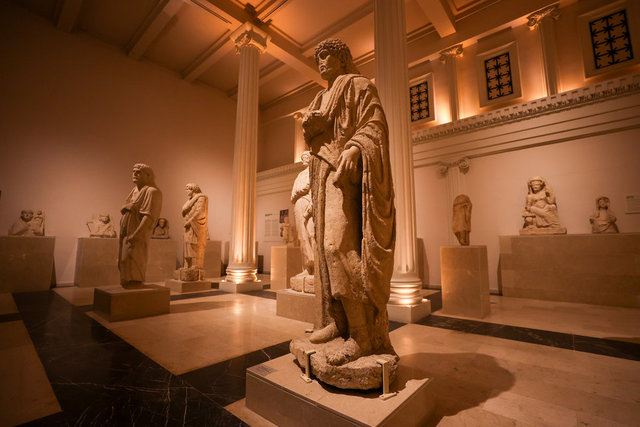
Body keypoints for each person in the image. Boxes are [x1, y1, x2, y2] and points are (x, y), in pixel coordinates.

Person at [302, 38, 396, 366]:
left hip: (345, 175)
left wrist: (356, 147)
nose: (321, 61)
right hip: (322, 176)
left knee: (337, 247)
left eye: (327, 55)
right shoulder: (319, 97)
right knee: (324, 252)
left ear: (342, 58)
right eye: (318, 57)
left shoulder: (358, 85)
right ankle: (338, 321)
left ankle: (362, 334)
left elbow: (375, 124)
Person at [119, 163, 162, 288]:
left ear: (148, 176)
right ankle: (128, 281)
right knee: (123, 260)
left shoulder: (152, 191)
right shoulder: (134, 190)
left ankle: (135, 281)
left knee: (132, 257)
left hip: (137, 231)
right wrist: (128, 207)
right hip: (126, 230)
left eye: (138, 172)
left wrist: (137, 234)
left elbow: (149, 217)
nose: (135, 174)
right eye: (133, 171)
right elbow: (123, 207)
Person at [182, 183, 208, 269]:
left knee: (194, 244)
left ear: (193, 189)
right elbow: (184, 210)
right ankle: (187, 264)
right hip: (188, 226)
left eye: (188, 189)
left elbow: (200, 212)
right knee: (187, 244)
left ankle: (195, 264)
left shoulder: (201, 198)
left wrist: (190, 221)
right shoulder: (190, 200)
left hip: (195, 225)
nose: (186, 191)